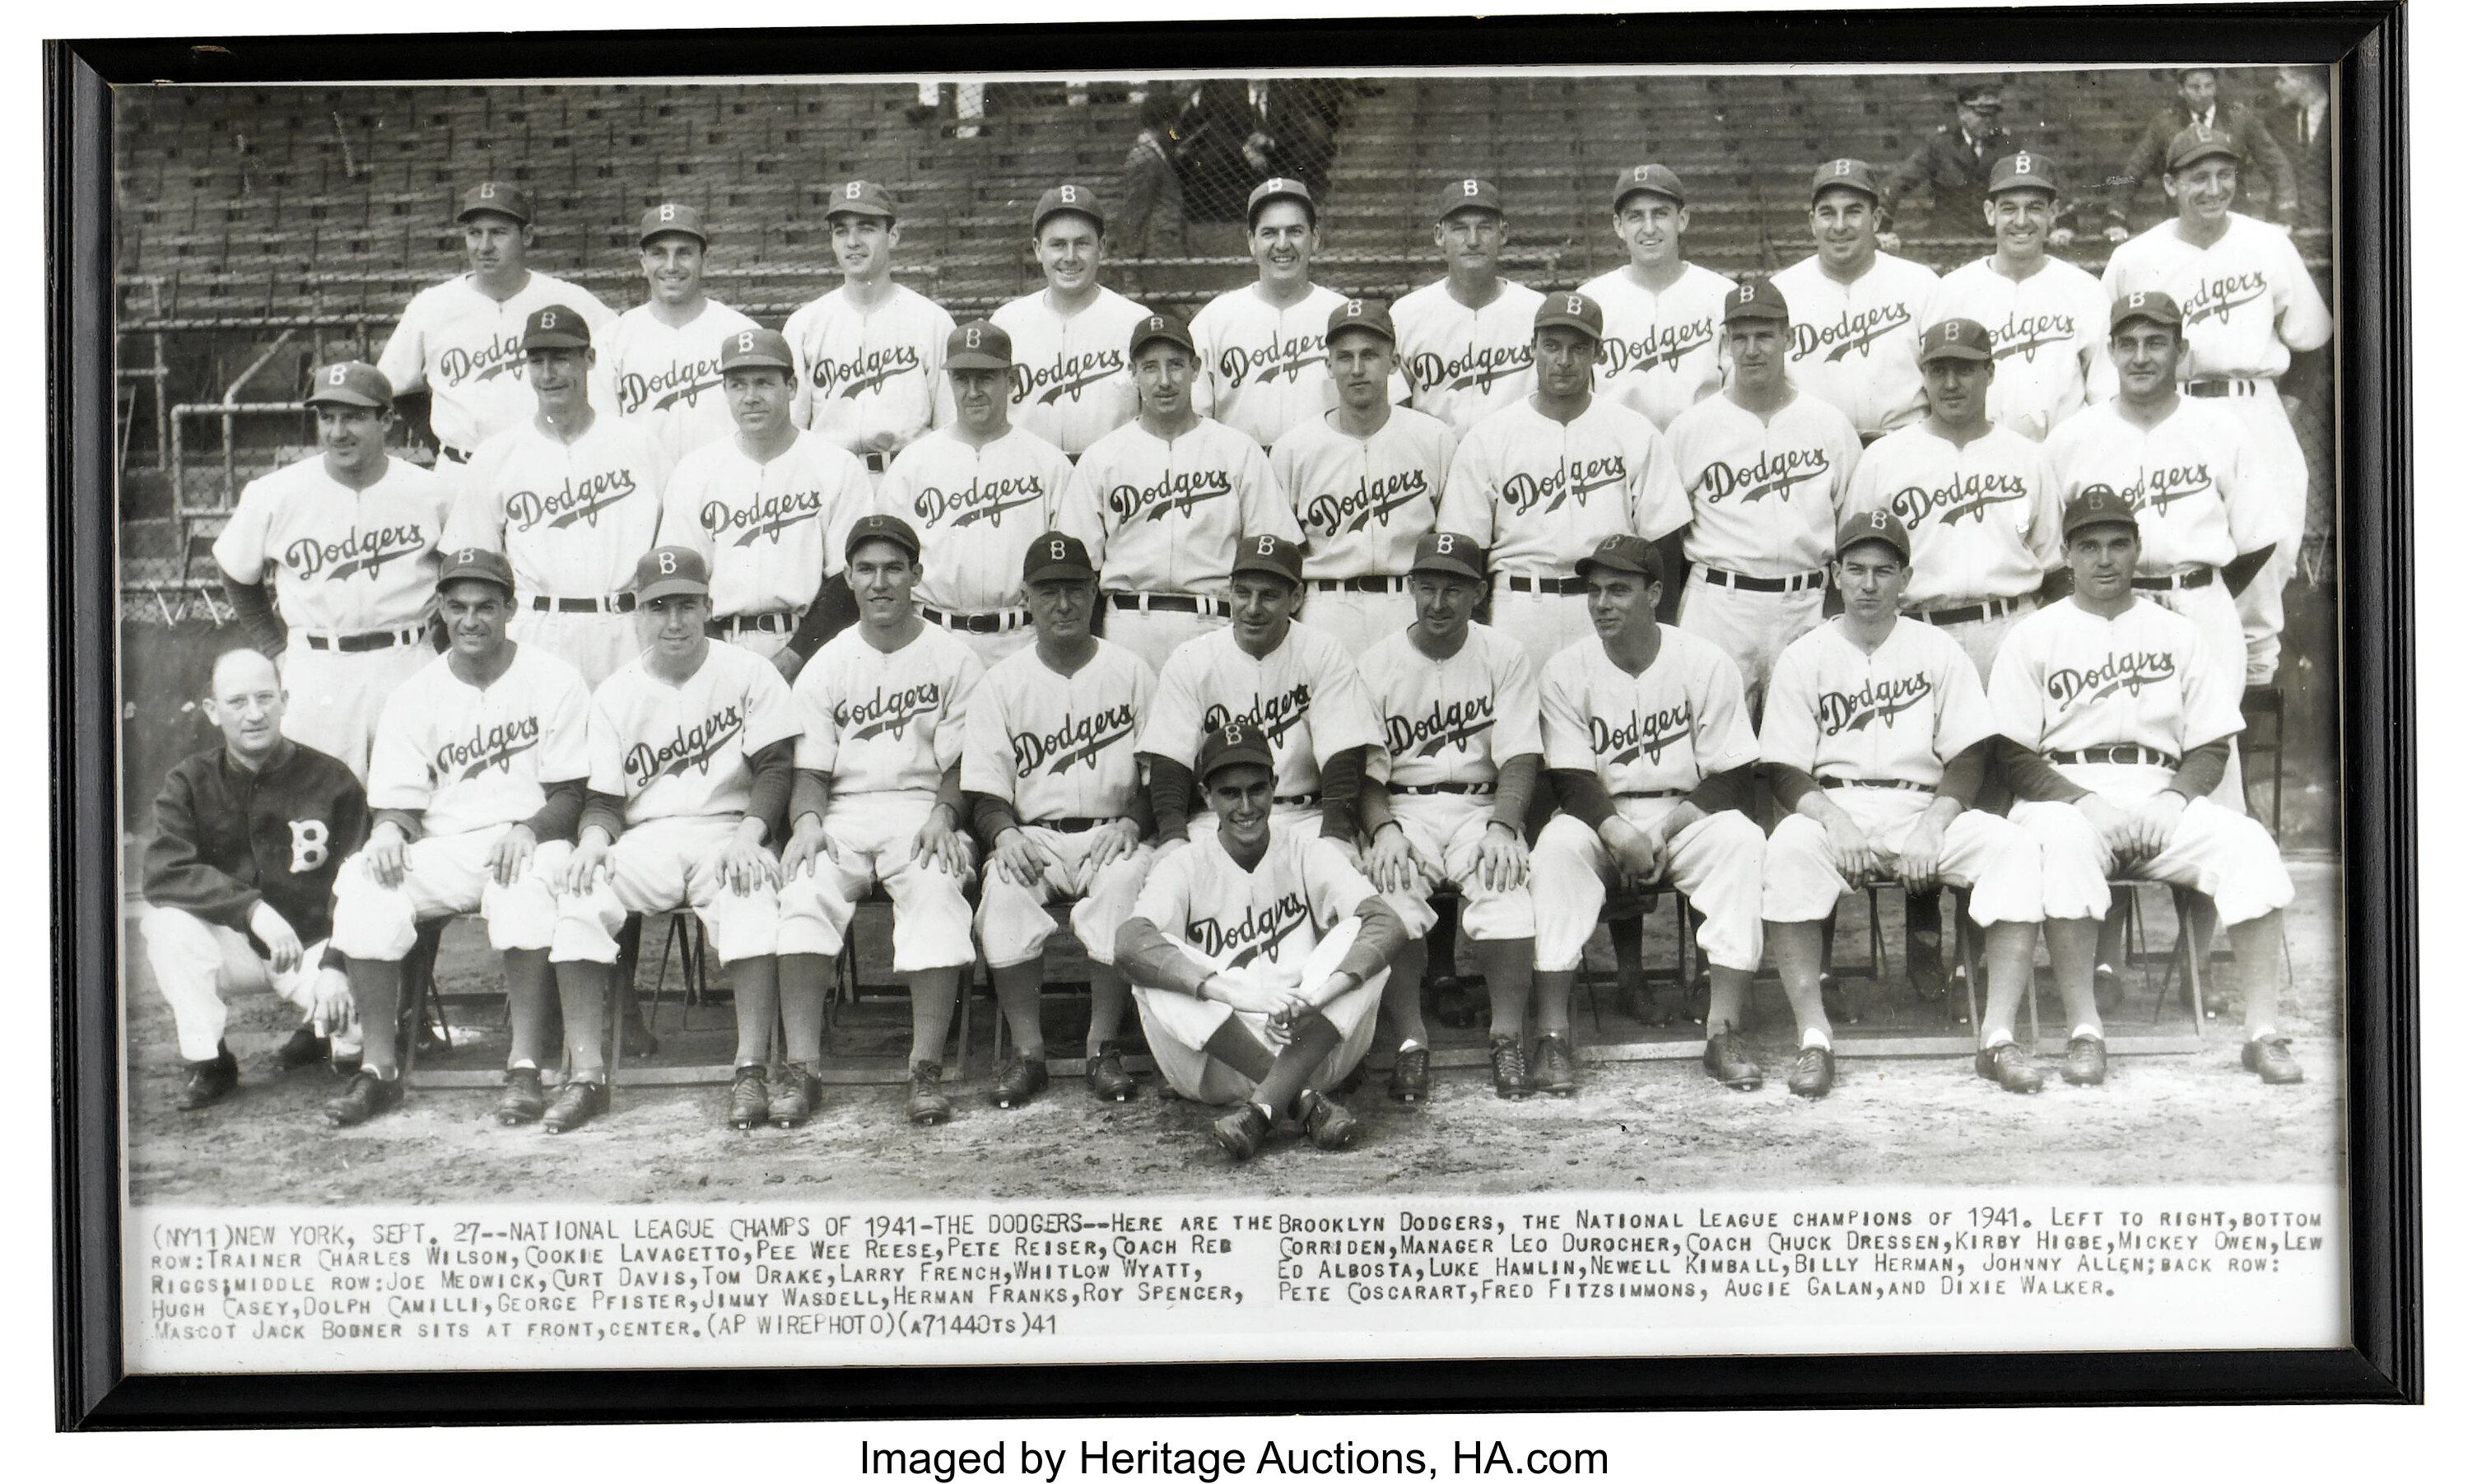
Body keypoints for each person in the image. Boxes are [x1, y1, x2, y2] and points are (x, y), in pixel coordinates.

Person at [1992, 491, 2303, 1089]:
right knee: (2061, 845)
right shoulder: (2034, 634)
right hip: (2066, 793)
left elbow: (2212, 742)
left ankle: (2263, 1031)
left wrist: (2174, 799)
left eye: (2117, 544)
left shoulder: (2176, 632)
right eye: (2088, 546)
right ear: (2067, 554)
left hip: (2161, 790)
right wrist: (2086, 803)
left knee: (2248, 844)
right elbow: (2011, 753)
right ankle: (2086, 1030)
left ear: (2137, 549)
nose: (2104, 559)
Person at [1757, 512, 2049, 1100]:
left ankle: (1997, 1037)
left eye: (1883, 571)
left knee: (2013, 848)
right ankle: (1814, 1038)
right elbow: (1783, 766)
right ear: (1836, 574)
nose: (1868, 585)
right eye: (1857, 570)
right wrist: (1833, 821)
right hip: (1834, 808)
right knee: (1786, 846)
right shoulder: (1804, 655)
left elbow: (1969, 753)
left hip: (1923, 806)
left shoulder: (1937, 650)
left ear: (1905, 579)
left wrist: (1935, 825)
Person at [324, 549, 589, 1126]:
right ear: (441, 610)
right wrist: (391, 828)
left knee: (525, 886)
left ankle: (523, 1063)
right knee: (366, 884)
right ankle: (379, 1069)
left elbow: (573, 792)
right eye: (458, 607)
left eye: (486, 607)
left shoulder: (554, 679)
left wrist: (531, 828)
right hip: (443, 845)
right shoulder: (413, 694)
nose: (471, 620)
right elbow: (397, 798)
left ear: (510, 608)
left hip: (529, 835)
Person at [547, 547, 800, 1133]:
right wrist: (589, 842)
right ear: (639, 614)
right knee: (579, 893)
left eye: (687, 604)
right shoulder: (615, 692)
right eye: (659, 607)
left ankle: (752, 1067)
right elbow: (606, 800)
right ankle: (586, 1073)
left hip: (729, 828)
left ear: (709, 606)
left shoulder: (749, 672)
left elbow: (775, 768)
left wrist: (752, 834)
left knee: (752, 889)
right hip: (648, 835)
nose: (675, 620)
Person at [1527, 535, 1766, 1096]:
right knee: (1556, 849)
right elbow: (1569, 776)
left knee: (1742, 841)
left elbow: (1730, 773)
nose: (1602, 604)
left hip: (1682, 815)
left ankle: (1723, 1031)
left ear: (1655, 593)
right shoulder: (1566, 669)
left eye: (1619, 590)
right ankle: (1553, 1035)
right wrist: (1616, 831)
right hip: (1599, 816)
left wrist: (1661, 830)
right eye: (1594, 591)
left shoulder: (1705, 661)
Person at [2102, 124, 2332, 687]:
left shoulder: (2268, 244)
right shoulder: (2137, 255)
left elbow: (2311, 340)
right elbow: (2107, 354)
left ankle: (2253, 700)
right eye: (2198, 176)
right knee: (2175, 549)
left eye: (2225, 174)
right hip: (2172, 409)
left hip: (2253, 403)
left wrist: (2286, 408)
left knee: (2268, 553)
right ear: (2168, 183)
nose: (2213, 187)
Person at [1115, 722, 1409, 1161]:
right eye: (1230, 793)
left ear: (1275, 786)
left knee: (1362, 941)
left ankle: (1261, 1111)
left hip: (1308, 1039)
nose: (1246, 806)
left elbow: (1387, 924)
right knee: (1158, 968)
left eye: (1257, 789)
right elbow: (1129, 943)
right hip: (1216, 1062)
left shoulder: (1306, 850)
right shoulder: (1184, 863)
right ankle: (1302, 1100)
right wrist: (1239, 994)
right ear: (1207, 795)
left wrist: (1315, 998)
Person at [775, 515, 985, 1127]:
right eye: (865, 569)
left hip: (922, 809)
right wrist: (808, 821)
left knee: (938, 886)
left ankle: (924, 1068)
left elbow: (961, 763)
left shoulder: (953, 656)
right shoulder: (829, 662)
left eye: (894, 567)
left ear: (918, 574)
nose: (880, 581)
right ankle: (801, 1068)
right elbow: (809, 769)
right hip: (843, 809)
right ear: (849, 578)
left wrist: (947, 816)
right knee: (803, 887)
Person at [963, 533, 1159, 1108]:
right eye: (1048, 591)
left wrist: (1134, 821)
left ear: (1095, 591)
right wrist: (1002, 832)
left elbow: (1162, 772)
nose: (1063, 604)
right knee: (1003, 888)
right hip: (1035, 831)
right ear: (1027, 597)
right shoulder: (1001, 682)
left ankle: (1103, 1047)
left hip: (1112, 827)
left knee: (1125, 885)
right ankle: (1029, 1053)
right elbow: (985, 786)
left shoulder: (1132, 670)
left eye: (1074, 588)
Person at [1355, 533, 1543, 1100]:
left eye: (1454, 589)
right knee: (1393, 886)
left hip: (1481, 807)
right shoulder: (1377, 661)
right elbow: (1364, 770)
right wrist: (1382, 828)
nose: (1439, 602)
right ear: (1410, 588)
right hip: (1406, 806)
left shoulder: (1504, 654)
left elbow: (1520, 755)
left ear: (1479, 593)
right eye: (1428, 587)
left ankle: (1506, 1035)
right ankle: (1412, 1039)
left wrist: (1505, 826)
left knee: (1504, 878)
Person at [139, 649, 366, 1109]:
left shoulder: (332, 779)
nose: (254, 714)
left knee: (358, 1040)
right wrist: (252, 910)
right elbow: (165, 872)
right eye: (237, 702)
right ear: (212, 712)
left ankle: (329, 1033)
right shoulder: (189, 780)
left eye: (265, 698)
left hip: (313, 948)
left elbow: (361, 884)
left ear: (284, 700)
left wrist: (336, 966)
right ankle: (211, 1060)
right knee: (165, 926)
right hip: (235, 945)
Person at [213, 361, 451, 782]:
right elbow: (236, 571)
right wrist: (275, 648)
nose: (338, 432)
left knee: (419, 795)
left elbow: (463, 576)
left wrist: (445, 647)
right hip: (317, 667)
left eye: (355, 417)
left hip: (408, 659)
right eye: (327, 417)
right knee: (317, 811)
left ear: (388, 420)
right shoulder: (275, 493)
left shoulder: (432, 492)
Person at [1434, 292, 1691, 669]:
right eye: (1552, 346)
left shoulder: (1633, 431)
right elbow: (1464, 547)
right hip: (1519, 605)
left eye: (1578, 348)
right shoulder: (1490, 436)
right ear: (1532, 348)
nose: (1564, 361)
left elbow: (1663, 542)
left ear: (1598, 354)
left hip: (1607, 608)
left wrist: (1657, 628)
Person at [1052, 310, 1300, 674]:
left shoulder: (1237, 450)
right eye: (1150, 367)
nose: (1164, 380)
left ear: (1196, 369)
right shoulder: (1103, 457)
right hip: (1129, 622)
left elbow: (1274, 550)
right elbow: (1077, 563)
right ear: (1133, 373)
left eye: (1176, 365)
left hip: (1214, 621)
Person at [440, 305, 672, 689]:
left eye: (562, 359)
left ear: (590, 359)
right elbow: (471, 561)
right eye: (537, 361)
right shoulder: (497, 454)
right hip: (535, 628)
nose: (548, 374)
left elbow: (671, 549)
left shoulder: (640, 445)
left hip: (624, 626)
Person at [1663, 278, 1865, 719]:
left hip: (1805, 602)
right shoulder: (1692, 428)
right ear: (1726, 343)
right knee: (1712, 743)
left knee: (1804, 744)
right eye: (1741, 337)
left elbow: (1852, 528)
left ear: (1788, 338)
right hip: (1720, 602)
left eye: (1765, 336)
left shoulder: (1829, 426)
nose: (1753, 349)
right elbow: (1665, 534)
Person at [1843, 317, 2065, 679]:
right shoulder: (1884, 458)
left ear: (1989, 372)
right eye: (1938, 371)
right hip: (1918, 629)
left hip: (2009, 628)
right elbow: (1854, 559)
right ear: (1923, 376)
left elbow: (2055, 567)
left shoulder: (2027, 456)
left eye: (1964, 370)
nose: (1950, 384)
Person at [1137, 533, 1384, 854]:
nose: (1252, 608)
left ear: (1295, 598)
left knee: (1341, 870)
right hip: (1217, 820)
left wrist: (1336, 832)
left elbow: (1343, 753)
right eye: (1242, 593)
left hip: (1305, 817)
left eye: (1268, 596)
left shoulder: (1323, 652)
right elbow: (1170, 757)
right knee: (1173, 874)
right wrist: (1172, 835)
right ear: (1229, 591)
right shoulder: (1192, 658)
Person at [656, 327, 875, 682]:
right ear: (724, 391)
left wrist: (795, 656)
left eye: (764, 382)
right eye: (738, 385)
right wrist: (717, 658)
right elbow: (681, 578)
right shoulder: (696, 471)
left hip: (812, 648)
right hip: (718, 646)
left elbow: (845, 579)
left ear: (791, 387)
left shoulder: (836, 466)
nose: (751, 397)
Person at [878, 321, 1080, 667]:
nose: (972, 391)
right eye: (961, 379)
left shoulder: (1048, 463)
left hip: (1023, 638)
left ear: (1011, 380)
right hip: (935, 636)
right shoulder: (914, 462)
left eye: (985, 377)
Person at [376, 182, 617, 467]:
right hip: (464, 466)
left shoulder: (570, 299)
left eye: (498, 233)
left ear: (526, 236)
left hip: (547, 465)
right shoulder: (431, 306)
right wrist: (438, 440)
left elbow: (621, 364)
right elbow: (388, 387)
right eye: (474, 233)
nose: (484, 246)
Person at [1274, 298, 1456, 655]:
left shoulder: (1434, 439)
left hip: (1409, 603)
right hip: (1326, 607)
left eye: (1370, 355)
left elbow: (1451, 538)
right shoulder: (1294, 449)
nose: (1357, 368)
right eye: (1345, 357)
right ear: (1328, 365)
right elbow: (1284, 552)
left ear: (1394, 362)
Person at [1190, 178, 1401, 453]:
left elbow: (1388, 408)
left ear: (1314, 239)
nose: (1282, 244)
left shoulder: (1345, 314)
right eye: (1269, 233)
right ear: (1251, 242)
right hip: (1240, 470)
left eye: (1294, 231)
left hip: (1329, 467)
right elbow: (1194, 419)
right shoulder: (1215, 319)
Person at [1922, 152, 2119, 443]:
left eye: (2035, 208)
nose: (2021, 221)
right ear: (1991, 213)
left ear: (2053, 214)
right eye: (2009, 209)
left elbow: (2106, 391)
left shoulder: (2084, 290)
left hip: (2061, 454)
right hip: (1979, 456)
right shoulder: (1954, 290)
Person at [782, 180, 957, 479]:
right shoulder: (804, 325)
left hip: (909, 476)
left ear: (893, 236)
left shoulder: (932, 321)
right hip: (830, 478)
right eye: (841, 230)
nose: (852, 241)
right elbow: (792, 430)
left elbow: (950, 427)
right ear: (832, 241)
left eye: (866, 228)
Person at [1772, 160, 1941, 444]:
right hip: (1812, 449)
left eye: (1853, 212)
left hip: (1904, 443)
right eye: (1828, 213)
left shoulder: (1920, 283)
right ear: (1813, 223)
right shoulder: (1782, 291)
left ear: (1875, 220)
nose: (1840, 226)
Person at [990, 185, 1152, 459]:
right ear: (1038, 249)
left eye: (1082, 243)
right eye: (1057, 244)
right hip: (1027, 479)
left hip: (1113, 476)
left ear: (1101, 247)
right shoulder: (1007, 322)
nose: (1070, 257)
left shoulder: (1135, 322)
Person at [598, 202, 758, 467]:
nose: (671, 266)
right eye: (659, 253)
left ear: (704, 261)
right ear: (643, 261)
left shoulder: (742, 333)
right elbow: (603, 438)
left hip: (725, 489)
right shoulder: (611, 341)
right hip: (644, 488)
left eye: (684, 253)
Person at [1578, 164, 1735, 432]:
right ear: (1619, 226)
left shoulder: (1721, 295)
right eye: (1636, 216)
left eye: (1660, 214)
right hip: (1620, 452)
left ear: (1682, 219)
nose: (1649, 228)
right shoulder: (1593, 300)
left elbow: (1735, 388)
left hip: (1706, 445)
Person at [1390, 178, 1544, 436]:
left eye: (1485, 228)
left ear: (1503, 233)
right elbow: (1394, 409)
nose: (1472, 240)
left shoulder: (1536, 310)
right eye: (1460, 228)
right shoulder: (1405, 314)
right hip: (1436, 462)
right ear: (1440, 235)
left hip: (1517, 463)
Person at [2102, 68, 2300, 238]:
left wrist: (2286, 213)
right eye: (2195, 88)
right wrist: (2115, 216)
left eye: (2209, 86)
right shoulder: (2164, 124)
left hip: (2233, 218)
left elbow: (2276, 164)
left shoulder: (2239, 119)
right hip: (2183, 221)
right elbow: (2134, 170)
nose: (2204, 93)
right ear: (2181, 90)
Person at [1877, 81, 2015, 258]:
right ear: (1962, 112)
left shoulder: (2008, 144)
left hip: (1993, 245)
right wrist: (1882, 229)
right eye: (1982, 115)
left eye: (1993, 116)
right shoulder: (1940, 145)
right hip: (1949, 246)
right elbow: (1897, 183)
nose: (1989, 121)